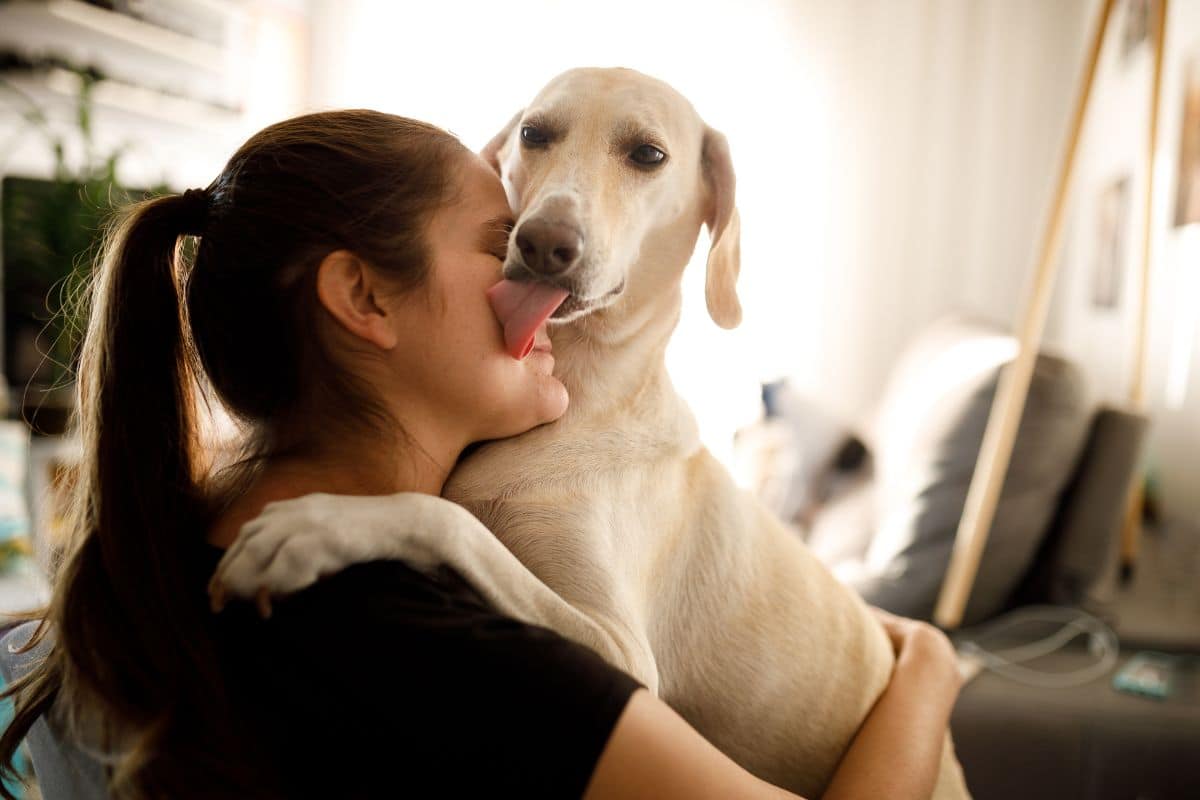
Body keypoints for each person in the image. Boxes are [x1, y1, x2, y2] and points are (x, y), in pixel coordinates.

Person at [0, 110, 963, 799]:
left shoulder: (168, 543)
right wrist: (925, 672)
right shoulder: (421, 628)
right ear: (365, 300)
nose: (537, 269)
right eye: (502, 242)